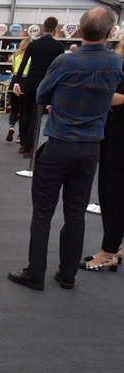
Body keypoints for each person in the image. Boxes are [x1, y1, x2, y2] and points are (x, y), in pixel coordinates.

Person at [8, 7, 123, 291]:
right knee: (75, 214)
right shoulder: (115, 62)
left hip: (60, 143)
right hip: (91, 148)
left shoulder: (66, 61)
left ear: (80, 31)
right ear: (110, 33)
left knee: (43, 213)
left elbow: (42, 94)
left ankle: (36, 272)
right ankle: (68, 273)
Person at [80, 39, 124, 272]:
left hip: (120, 141)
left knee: (115, 198)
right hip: (110, 136)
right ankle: (113, 247)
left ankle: (109, 251)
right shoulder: (118, 63)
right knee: (107, 196)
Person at [13, 17, 65, 158]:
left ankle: (23, 142)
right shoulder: (59, 46)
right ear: (55, 29)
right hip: (46, 83)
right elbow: (61, 67)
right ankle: (29, 148)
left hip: (30, 82)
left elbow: (23, 63)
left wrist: (17, 82)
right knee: (37, 114)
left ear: (43, 28)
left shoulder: (33, 44)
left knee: (26, 112)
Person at [7, 38, 31, 143]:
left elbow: (13, 69)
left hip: (14, 82)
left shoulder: (14, 55)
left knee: (14, 109)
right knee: (24, 111)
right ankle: (21, 135)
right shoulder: (31, 56)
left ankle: (11, 126)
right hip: (25, 83)